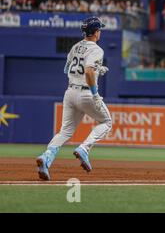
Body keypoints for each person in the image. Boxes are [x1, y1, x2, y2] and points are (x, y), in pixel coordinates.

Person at [35, 17, 112, 181]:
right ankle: (84, 148)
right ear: (96, 32)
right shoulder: (97, 49)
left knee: (65, 131)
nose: (100, 33)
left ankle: (46, 157)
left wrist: (97, 68)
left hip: (70, 92)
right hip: (86, 93)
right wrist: (95, 94)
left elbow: (67, 69)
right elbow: (89, 72)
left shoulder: (75, 46)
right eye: (99, 30)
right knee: (107, 122)